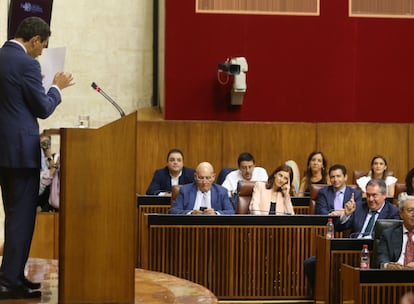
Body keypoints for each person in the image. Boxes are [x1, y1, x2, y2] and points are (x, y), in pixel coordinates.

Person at [0, 17, 74, 299]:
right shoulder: (27, 64)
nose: (40, 53)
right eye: (41, 47)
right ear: (34, 40)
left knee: (13, 216)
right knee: (21, 219)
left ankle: (13, 275)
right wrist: (56, 87)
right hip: (20, 152)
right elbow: (42, 108)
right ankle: (9, 282)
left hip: (3, 153)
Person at [304, 179, 400, 291]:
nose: (370, 199)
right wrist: (346, 215)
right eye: (368, 195)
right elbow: (340, 227)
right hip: (350, 251)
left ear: (384, 195)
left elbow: (391, 240)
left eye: (374, 195)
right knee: (311, 263)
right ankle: (320, 297)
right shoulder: (359, 207)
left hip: (374, 253)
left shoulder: (393, 212)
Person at [168, 162, 235, 214]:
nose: (204, 182)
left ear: (213, 177)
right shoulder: (185, 191)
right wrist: (191, 213)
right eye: (201, 178)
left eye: (208, 178)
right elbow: (174, 211)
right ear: (195, 177)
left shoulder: (221, 192)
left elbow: (231, 212)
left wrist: (215, 213)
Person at [376, 193, 414, 269]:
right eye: (410, 210)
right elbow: (381, 258)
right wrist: (388, 266)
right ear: (401, 214)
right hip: (395, 276)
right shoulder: (388, 234)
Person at [38, 133, 60, 212]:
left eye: (47, 143)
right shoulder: (37, 162)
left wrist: (50, 156)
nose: (45, 146)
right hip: (41, 202)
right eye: (43, 144)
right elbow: (40, 188)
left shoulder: (56, 157)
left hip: (54, 203)